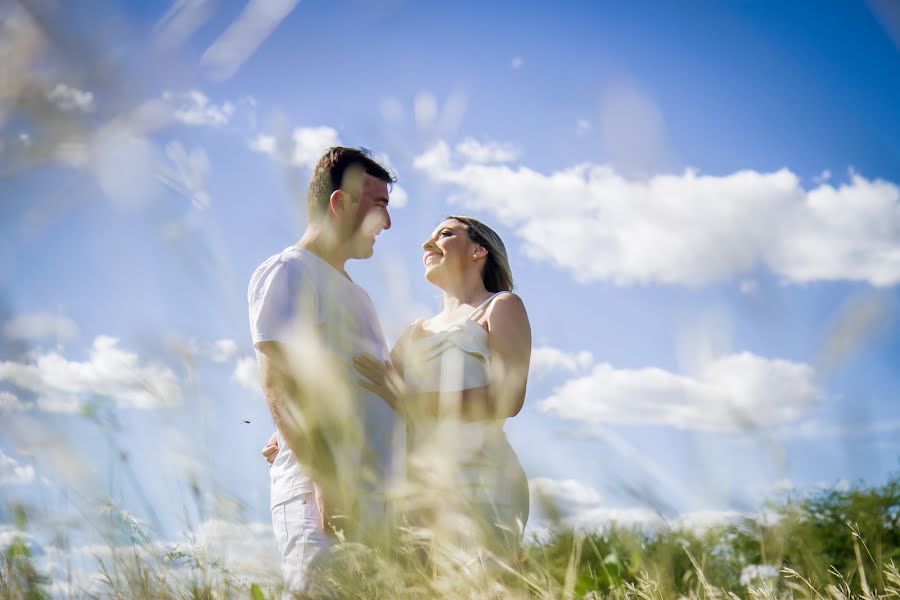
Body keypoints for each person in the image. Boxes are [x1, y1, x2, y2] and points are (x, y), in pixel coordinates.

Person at [247, 146, 400, 597]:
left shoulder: (358, 294)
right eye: (379, 208)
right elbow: (281, 383)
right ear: (340, 204)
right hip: (325, 501)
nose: (387, 225)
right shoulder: (290, 271)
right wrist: (328, 483)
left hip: (374, 503)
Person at [353, 215, 532, 562]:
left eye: (445, 234)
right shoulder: (415, 331)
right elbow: (373, 389)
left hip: (483, 482)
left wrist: (412, 402)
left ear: (479, 250)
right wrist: (288, 435)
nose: (426, 244)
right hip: (419, 485)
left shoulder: (501, 306)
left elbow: (507, 399)